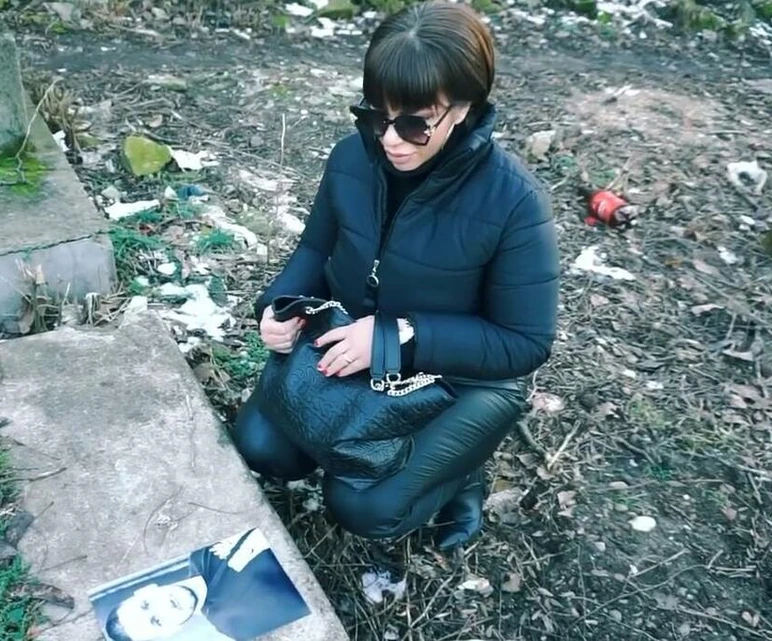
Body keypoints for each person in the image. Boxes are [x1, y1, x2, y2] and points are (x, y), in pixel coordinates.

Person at [232, 0, 560, 572]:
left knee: (362, 505)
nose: (390, 139)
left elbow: (524, 343)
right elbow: (315, 250)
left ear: (463, 107)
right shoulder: (350, 159)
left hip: (461, 376)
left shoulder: (514, 202)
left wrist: (397, 336)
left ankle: (461, 473)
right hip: (353, 343)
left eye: (414, 122)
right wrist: (277, 307)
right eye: (375, 115)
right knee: (262, 446)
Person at [101, 529, 310, 641]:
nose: (164, 608)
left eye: (146, 605)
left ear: (145, 590)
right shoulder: (237, 625)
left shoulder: (199, 551)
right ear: (170, 632)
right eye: (156, 621)